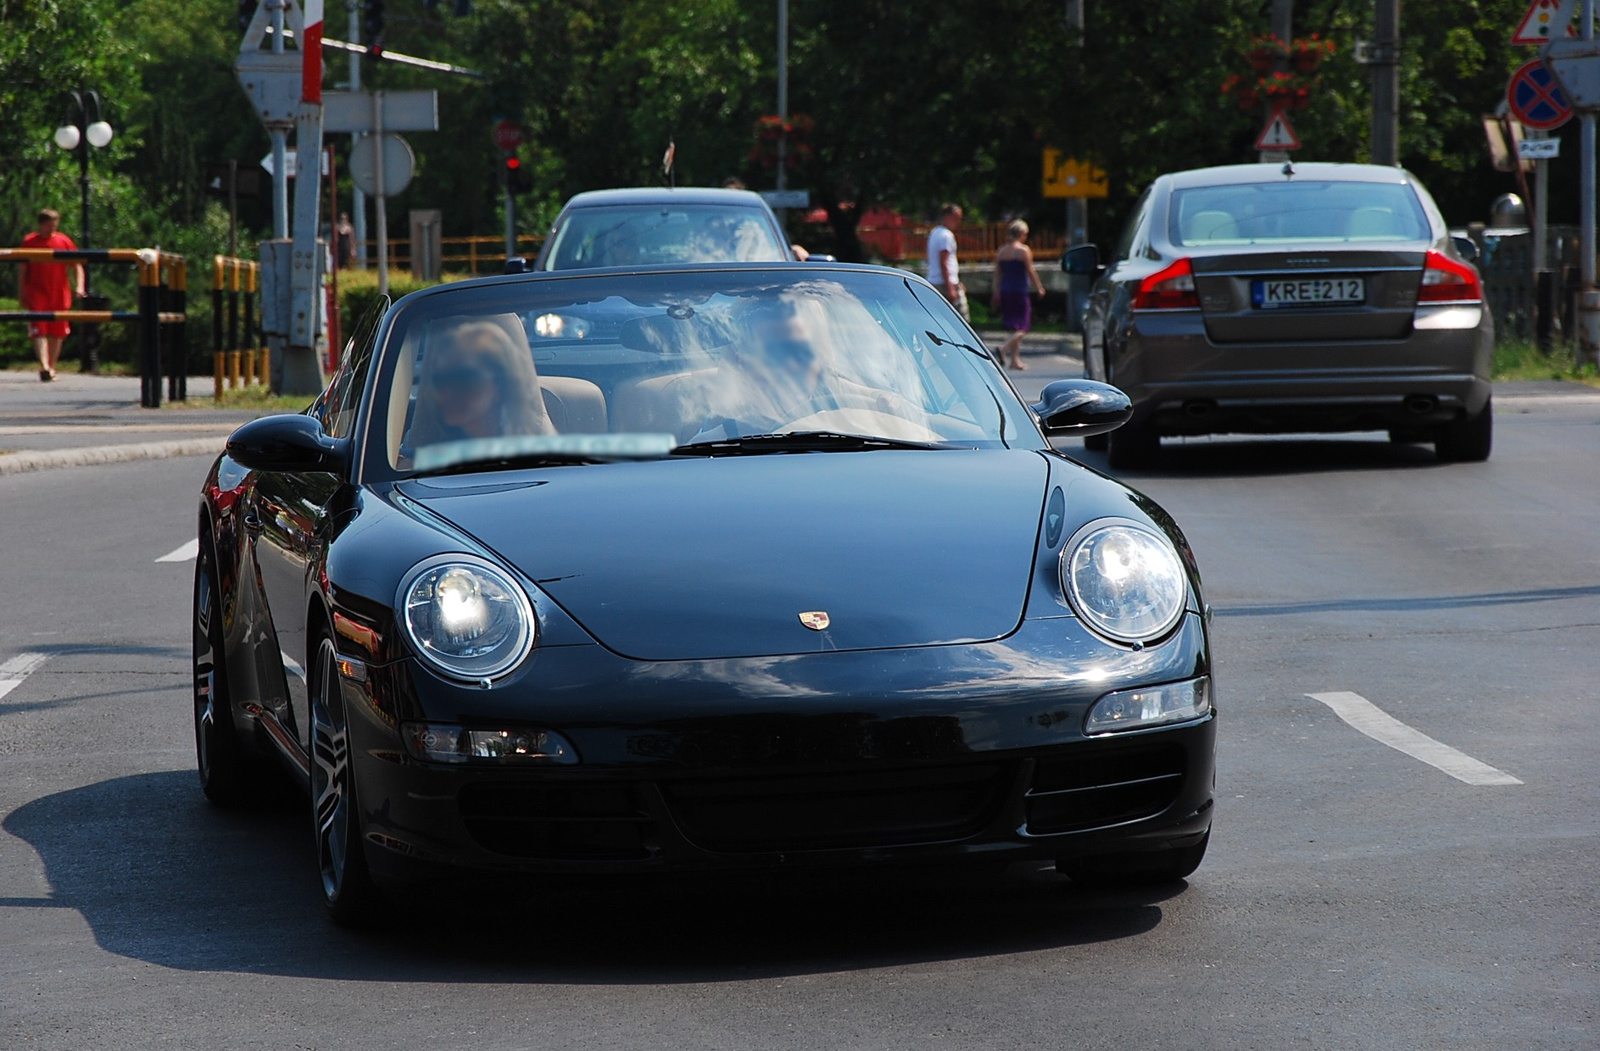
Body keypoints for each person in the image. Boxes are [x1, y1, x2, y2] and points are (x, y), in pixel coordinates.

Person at [409, 319, 553, 447]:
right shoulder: (417, 465)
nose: (447, 392)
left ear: (500, 385)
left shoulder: (541, 461)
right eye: (440, 381)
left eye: (463, 379)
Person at [19, 208, 85, 382]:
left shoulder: (63, 241)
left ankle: (52, 366)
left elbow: (77, 265)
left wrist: (79, 286)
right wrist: (22, 291)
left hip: (59, 291)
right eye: (49, 225)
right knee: (39, 329)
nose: (52, 228)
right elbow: (23, 268)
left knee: (58, 331)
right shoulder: (29, 241)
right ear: (41, 224)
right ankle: (44, 365)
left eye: (55, 224)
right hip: (36, 291)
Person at [991, 219, 1046, 370]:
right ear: (1021, 234)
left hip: (1005, 290)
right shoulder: (1023, 251)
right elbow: (1030, 271)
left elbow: (997, 274)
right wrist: (1039, 287)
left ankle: (1015, 360)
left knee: (1015, 326)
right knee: (1024, 326)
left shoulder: (1002, 251)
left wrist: (996, 292)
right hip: (1019, 290)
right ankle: (1004, 348)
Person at [926, 202, 967, 321]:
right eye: (956, 218)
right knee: (961, 319)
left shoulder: (935, 232)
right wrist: (951, 287)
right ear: (947, 217)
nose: (958, 221)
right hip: (945, 283)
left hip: (935, 280)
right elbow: (944, 262)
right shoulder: (946, 236)